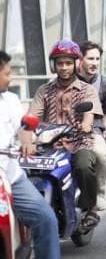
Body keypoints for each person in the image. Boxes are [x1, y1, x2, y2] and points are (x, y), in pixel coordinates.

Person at [29, 39, 104, 230]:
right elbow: (32, 116)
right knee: (27, 167)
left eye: (68, 63)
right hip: (49, 144)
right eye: (60, 63)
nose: (64, 67)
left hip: (79, 141)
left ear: (76, 64)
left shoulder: (87, 90)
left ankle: (91, 209)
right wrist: (27, 127)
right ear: (53, 65)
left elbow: (89, 115)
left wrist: (85, 125)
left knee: (83, 164)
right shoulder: (44, 90)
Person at [0, 51, 60, 259]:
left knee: (46, 219)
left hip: (10, 177)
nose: (11, 78)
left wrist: (27, 142)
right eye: (7, 73)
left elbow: (25, 127)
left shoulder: (11, 100)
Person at [77, 40, 106, 211]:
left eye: (97, 59)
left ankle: (99, 193)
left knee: (101, 154)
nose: (95, 63)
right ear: (80, 59)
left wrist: (104, 129)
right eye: (90, 58)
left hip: (94, 128)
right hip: (67, 127)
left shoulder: (104, 83)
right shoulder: (68, 78)